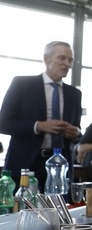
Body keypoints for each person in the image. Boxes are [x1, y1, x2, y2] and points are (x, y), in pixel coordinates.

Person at [0, 41, 82, 192]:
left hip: (60, 166)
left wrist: (76, 133)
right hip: (26, 163)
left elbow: (77, 129)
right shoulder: (22, 84)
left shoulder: (74, 94)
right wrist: (38, 126)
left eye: (70, 60)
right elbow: (3, 123)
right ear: (47, 59)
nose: (67, 64)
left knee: (58, 213)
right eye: (62, 58)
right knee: (21, 212)